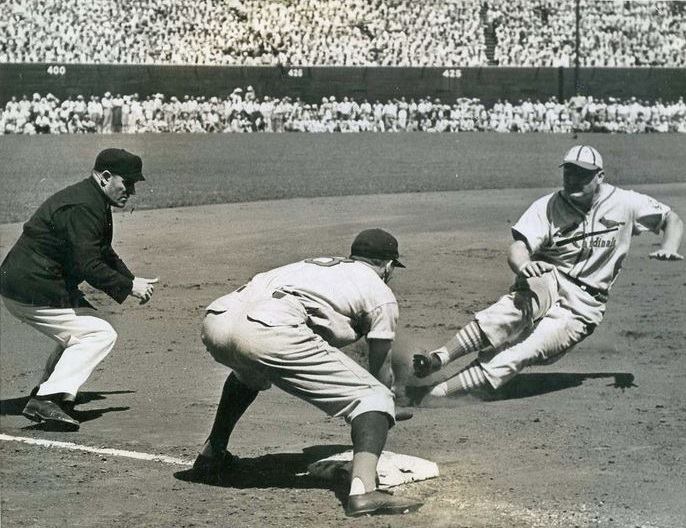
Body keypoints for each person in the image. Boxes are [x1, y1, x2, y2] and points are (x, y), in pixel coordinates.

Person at [410, 145, 683, 401]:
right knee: (515, 308)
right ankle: (440, 357)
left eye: (583, 174)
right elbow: (518, 246)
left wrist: (669, 245)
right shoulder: (548, 205)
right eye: (569, 171)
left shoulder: (626, 203)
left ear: (600, 176)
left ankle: (434, 394)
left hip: (584, 305)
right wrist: (524, 266)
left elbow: (671, 219)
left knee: (518, 353)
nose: (574, 179)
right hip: (550, 278)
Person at [193, 229, 422, 517]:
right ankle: (364, 493)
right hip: (270, 330)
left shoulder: (312, 267)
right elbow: (380, 368)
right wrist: (385, 406)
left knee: (249, 373)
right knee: (373, 397)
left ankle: (211, 455)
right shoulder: (380, 292)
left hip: (217, 319)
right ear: (387, 266)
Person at [0, 148, 159, 430]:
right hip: (30, 285)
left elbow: (103, 251)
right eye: (128, 183)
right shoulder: (84, 207)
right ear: (106, 177)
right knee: (100, 333)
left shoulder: (92, 199)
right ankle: (47, 397)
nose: (132, 191)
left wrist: (131, 279)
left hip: (37, 281)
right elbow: (88, 265)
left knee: (89, 326)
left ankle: (52, 391)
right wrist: (128, 287)